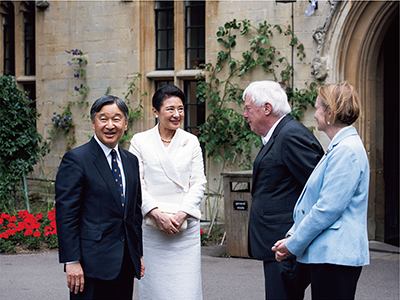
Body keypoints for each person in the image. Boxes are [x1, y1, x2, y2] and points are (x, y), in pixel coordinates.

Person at [272, 82, 370, 300]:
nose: (314, 114)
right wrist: (292, 235)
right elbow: (313, 201)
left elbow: (326, 209)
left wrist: (293, 244)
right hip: (330, 255)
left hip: (336, 257)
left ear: (330, 113)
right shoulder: (340, 147)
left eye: (317, 108)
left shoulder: (346, 151)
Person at [55, 95, 145, 300]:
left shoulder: (130, 161)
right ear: (94, 122)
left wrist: (136, 254)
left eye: (117, 118)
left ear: (126, 122)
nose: (110, 125)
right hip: (89, 266)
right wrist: (71, 261)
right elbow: (66, 215)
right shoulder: (77, 159)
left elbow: (134, 213)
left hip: (124, 263)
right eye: (103, 119)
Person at [243, 80, 324, 300]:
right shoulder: (279, 135)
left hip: (286, 245)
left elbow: (317, 189)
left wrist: (296, 238)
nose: (244, 114)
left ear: (267, 108)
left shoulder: (291, 135)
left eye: (248, 108)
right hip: (278, 244)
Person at [129, 85, 206, 299]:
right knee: (155, 290)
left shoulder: (191, 141)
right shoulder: (139, 141)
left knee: (186, 290)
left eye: (180, 109)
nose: (177, 114)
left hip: (185, 227)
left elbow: (199, 183)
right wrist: (155, 213)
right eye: (170, 109)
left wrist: (182, 213)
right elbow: (137, 183)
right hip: (153, 227)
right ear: (156, 112)